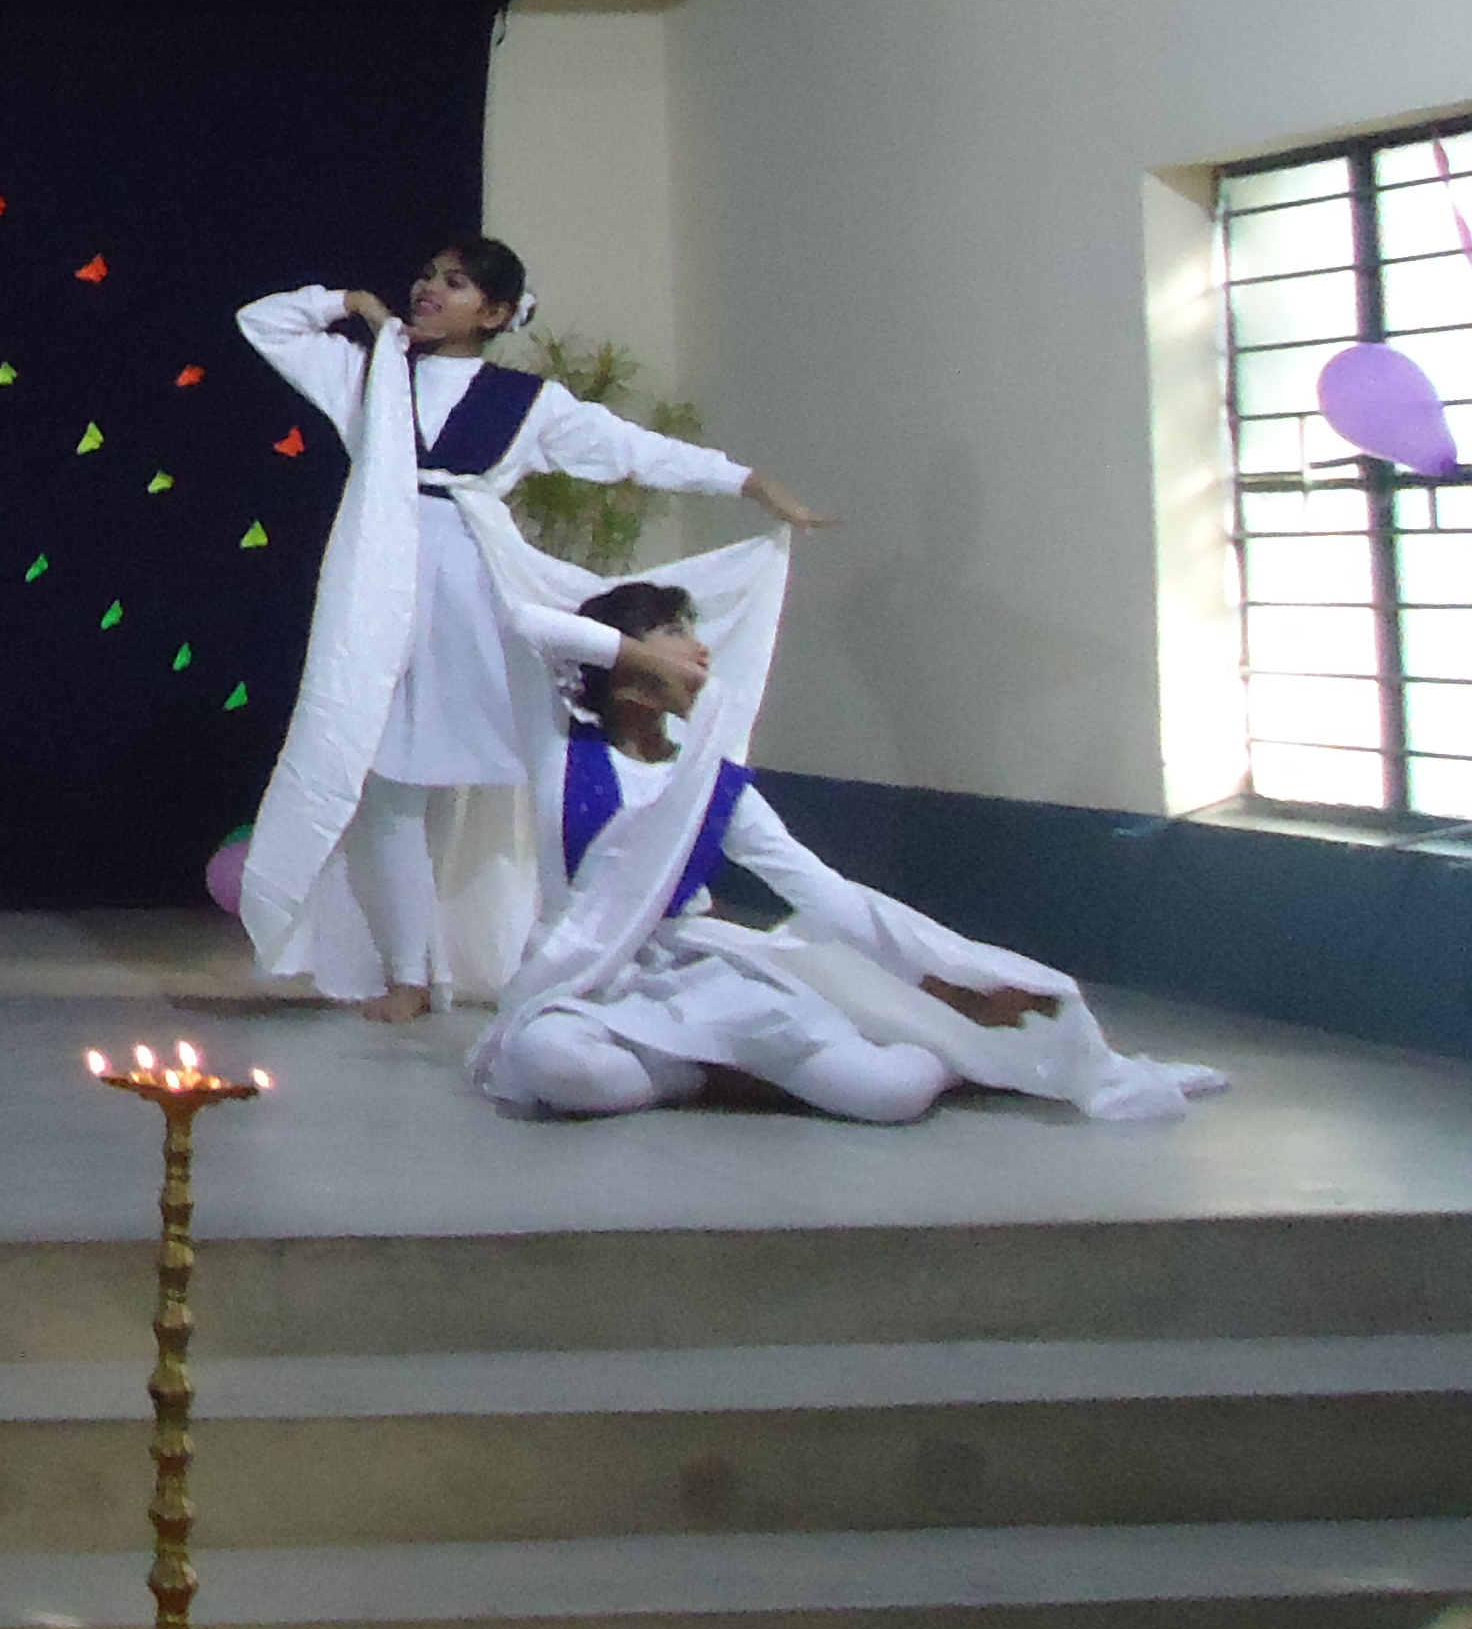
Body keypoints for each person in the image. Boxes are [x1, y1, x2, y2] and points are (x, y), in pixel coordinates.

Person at [234, 239, 831, 1022]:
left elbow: (634, 452)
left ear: (494, 313)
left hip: (479, 599)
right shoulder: (372, 373)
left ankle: (621, 935)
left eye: (454, 283)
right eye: (427, 276)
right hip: (377, 601)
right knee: (384, 785)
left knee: (548, 765)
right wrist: (349, 304)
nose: (428, 289)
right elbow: (264, 323)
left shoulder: (526, 403)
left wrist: (749, 482)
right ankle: (410, 974)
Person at [464, 542, 1219, 1127]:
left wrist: (942, 981)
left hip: (703, 968)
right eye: (673, 634)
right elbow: (521, 624)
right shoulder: (560, 749)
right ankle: (721, 1072)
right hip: (589, 980)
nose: (700, 651)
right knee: (553, 1061)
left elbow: (821, 891)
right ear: (619, 654)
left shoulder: (715, 783)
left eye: (694, 634)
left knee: (890, 1094)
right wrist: (640, 661)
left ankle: (762, 1062)